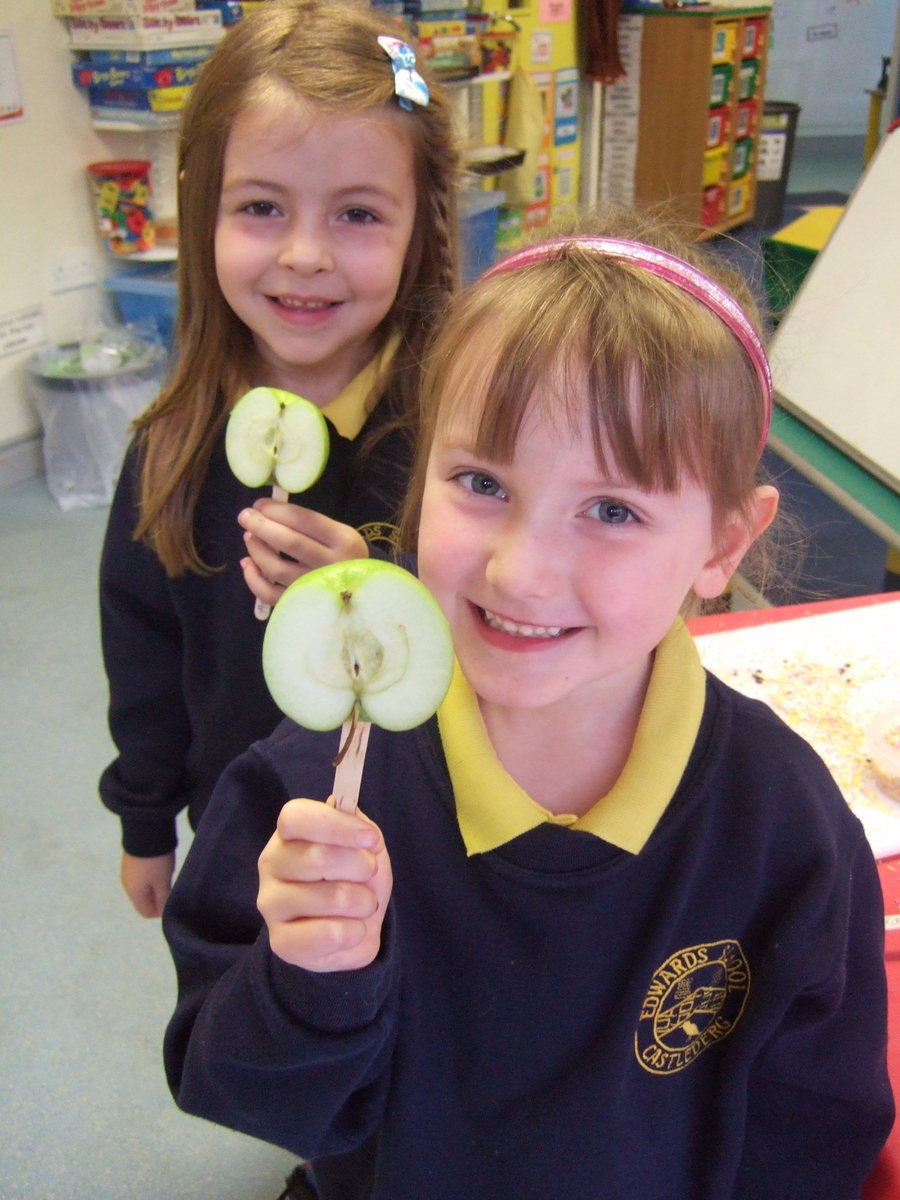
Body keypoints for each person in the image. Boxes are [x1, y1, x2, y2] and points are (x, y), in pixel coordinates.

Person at [162, 224, 893, 1200]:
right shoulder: (306, 792)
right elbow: (246, 1099)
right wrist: (311, 980)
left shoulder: (783, 822)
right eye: (481, 483)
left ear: (723, 544)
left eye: (614, 510)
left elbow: (814, 1126)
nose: (521, 570)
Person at [98, 0, 458, 918]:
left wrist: (374, 588)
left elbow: (504, 632)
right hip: (237, 830)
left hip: (422, 834)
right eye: (261, 207)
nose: (304, 255)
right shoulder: (171, 448)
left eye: (358, 215)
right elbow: (143, 649)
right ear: (203, 209)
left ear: (422, 227)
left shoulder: (458, 438)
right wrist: (145, 818)